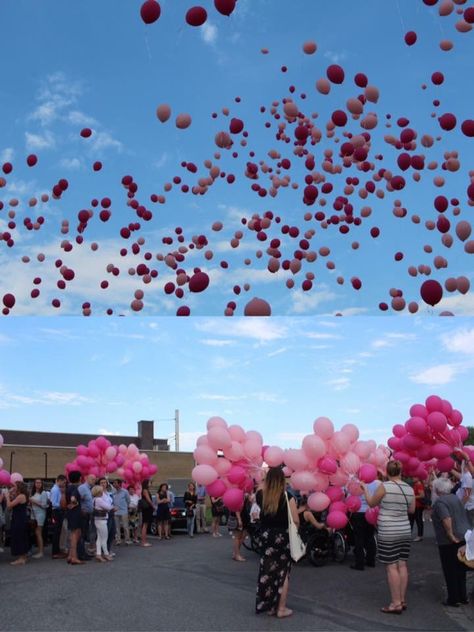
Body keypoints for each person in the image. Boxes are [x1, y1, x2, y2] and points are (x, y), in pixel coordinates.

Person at [361, 460, 415, 614]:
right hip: (405, 529)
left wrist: (365, 489)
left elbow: (371, 503)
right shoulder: (409, 488)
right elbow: (411, 510)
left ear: (387, 472)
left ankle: (395, 603)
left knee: (391, 566)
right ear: (400, 471)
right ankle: (402, 600)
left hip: (388, 530)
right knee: (402, 564)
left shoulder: (384, 487)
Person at [255, 466, 299, 619]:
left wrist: (263, 477)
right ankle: (281, 608)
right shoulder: (288, 497)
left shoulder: (261, 496)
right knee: (283, 573)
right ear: (282, 480)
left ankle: (270, 605)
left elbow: (260, 488)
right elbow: (295, 520)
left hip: (266, 537)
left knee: (268, 571)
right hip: (283, 538)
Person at [431, 477, 470, 607]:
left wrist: (450, 535)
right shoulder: (454, 498)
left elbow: (446, 518)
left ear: (437, 490)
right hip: (464, 535)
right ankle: (463, 596)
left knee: (450, 570)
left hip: (449, 541)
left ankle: (453, 598)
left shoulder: (440, 502)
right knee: (461, 569)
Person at [350, 478, 379, 570]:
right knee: (370, 537)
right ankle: (371, 561)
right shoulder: (377, 483)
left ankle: (359, 563)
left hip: (358, 512)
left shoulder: (354, 482)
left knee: (359, 539)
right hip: (372, 512)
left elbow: (348, 496)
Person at [6, 481, 29, 566]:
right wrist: (10, 492)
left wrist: (7, 496)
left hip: (19, 519)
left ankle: (21, 559)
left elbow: (9, 506)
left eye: (15, 486)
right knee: (21, 536)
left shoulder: (21, 496)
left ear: (19, 487)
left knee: (19, 537)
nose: (13, 487)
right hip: (20, 518)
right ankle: (24, 556)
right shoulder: (20, 495)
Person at [91, 485, 113, 562]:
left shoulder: (94, 499)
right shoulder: (99, 500)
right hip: (102, 520)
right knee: (104, 538)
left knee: (99, 538)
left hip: (97, 520)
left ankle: (99, 554)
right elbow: (108, 507)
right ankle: (106, 554)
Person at [66, 470, 84, 565]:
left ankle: (70, 555)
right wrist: (75, 503)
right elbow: (73, 499)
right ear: (79, 478)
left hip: (70, 513)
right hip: (75, 513)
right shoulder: (75, 488)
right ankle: (74, 557)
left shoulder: (68, 487)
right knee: (74, 534)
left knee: (74, 533)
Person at [30, 478, 49, 559]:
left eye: (39, 483)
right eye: (36, 483)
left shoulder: (43, 493)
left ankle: (41, 552)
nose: (38, 484)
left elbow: (44, 505)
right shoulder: (33, 493)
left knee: (38, 532)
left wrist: (32, 500)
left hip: (40, 514)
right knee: (36, 533)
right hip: (33, 514)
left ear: (42, 484)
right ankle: (38, 550)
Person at [78, 474, 96, 559]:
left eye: (94, 479)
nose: (94, 481)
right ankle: (81, 554)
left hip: (88, 514)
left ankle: (83, 552)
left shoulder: (89, 489)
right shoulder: (82, 488)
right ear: (87, 479)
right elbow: (78, 500)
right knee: (81, 534)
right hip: (83, 515)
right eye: (92, 479)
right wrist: (82, 510)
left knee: (84, 534)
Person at [98, 478, 116, 555]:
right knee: (105, 533)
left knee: (112, 532)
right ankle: (104, 550)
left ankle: (108, 548)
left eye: (104, 482)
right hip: (103, 515)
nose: (103, 484)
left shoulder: (109, 493)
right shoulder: (98, 494)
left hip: (111, 514)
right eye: (101, 483)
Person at [232, 493, 251, 562]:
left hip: (245, 517)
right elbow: (237, 508)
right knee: (238, 537)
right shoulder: (238, 495)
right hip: (240, 518)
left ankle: (236, 553)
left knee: (243, 536)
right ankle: (236, 555)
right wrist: (239, 519)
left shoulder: (245, 494)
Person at [112, 479, 131, 545]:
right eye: (113, 483)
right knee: (117, 527)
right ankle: (118, 540)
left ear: (119, 484)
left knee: (125, 526)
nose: (113, 484)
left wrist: (126, 507)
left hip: (123, 511)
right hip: (115, 512)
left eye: (115, 483)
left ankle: (127, 540)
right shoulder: (113, 492)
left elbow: (128, 500)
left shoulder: (125, 491)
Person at [410, 477, 425, 542]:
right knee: (411, 520)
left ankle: (420, 536)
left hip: (418, 506)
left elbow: (422, 495)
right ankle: (408, 535)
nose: (413, 478)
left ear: (418, 478)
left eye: (415, 477)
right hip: (414, 505)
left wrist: (413, 497)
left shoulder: (419, 484)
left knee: (418, 521)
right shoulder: (415, 484)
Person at [139, 479, 153, 547]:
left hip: (148, 509)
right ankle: (143, 542)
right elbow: (149, 500)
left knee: (146, 524)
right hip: (147, 508)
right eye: (150, 482)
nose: (151, 484)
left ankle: (144, 541)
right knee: (145, 524)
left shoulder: (146, 490)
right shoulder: (145, 490)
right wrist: (153, 506)